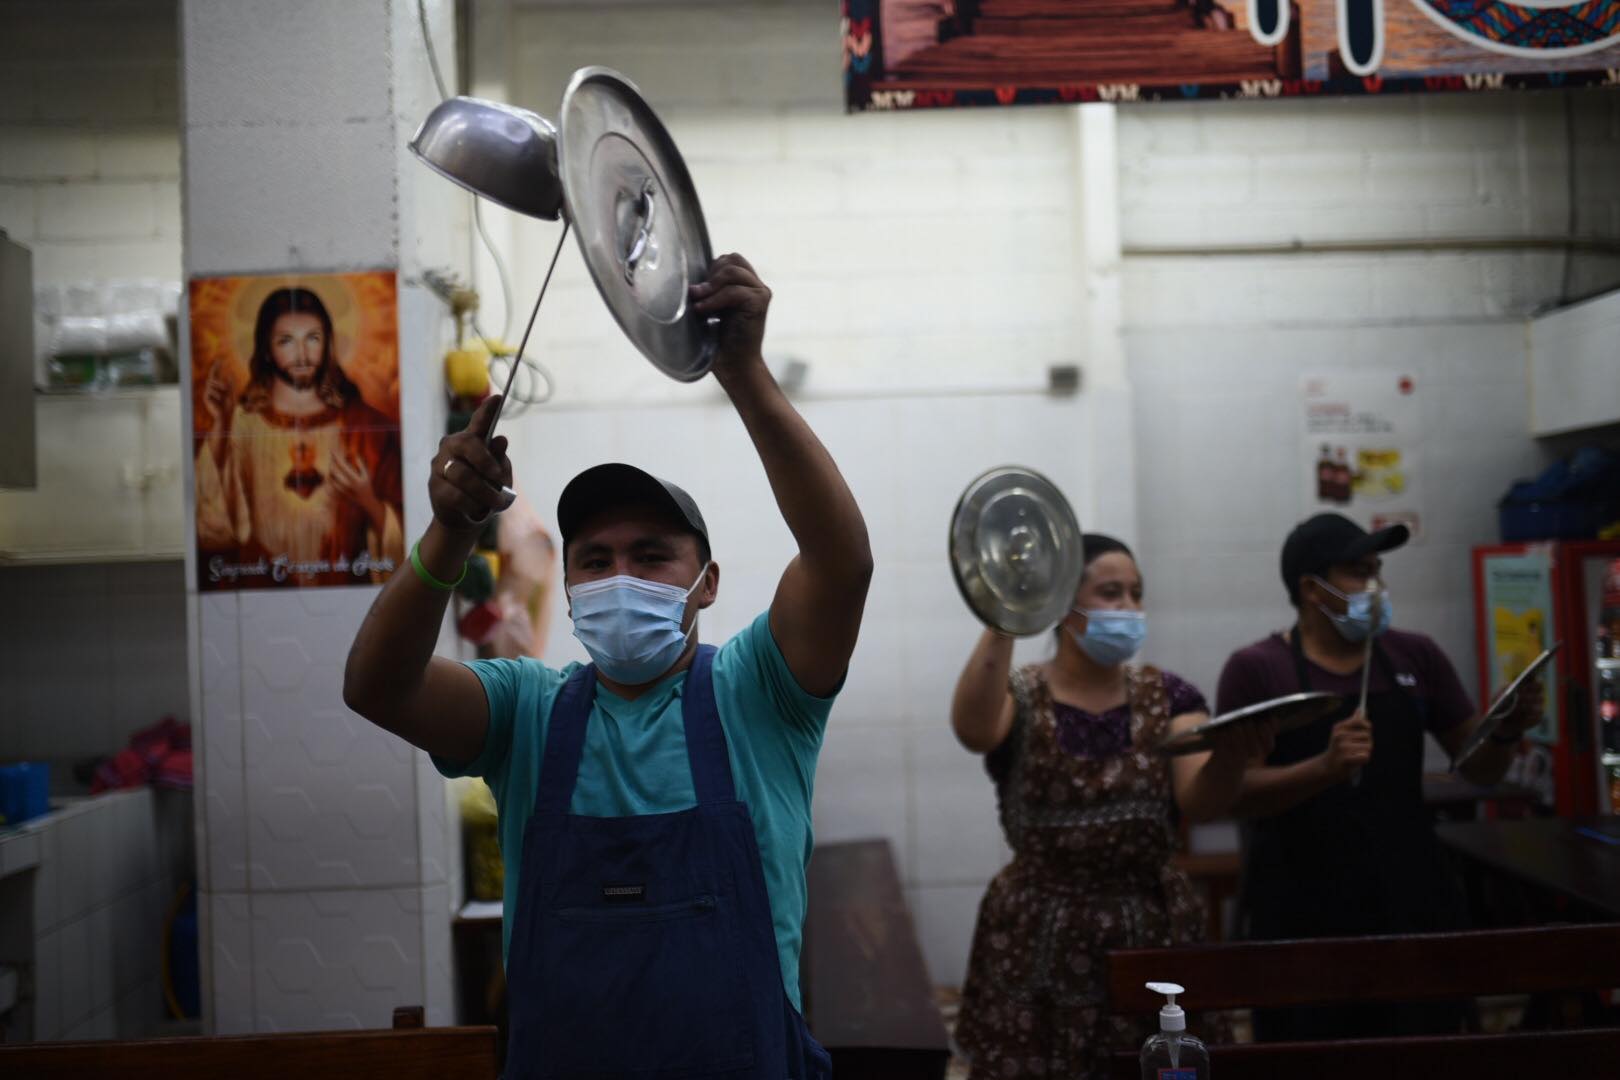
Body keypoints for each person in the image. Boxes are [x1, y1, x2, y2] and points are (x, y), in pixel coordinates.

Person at [344, 254, 871, 1080]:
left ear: (707, 584)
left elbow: (840, 562)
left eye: (652, 555)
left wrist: (743, 374)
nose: (620, 575)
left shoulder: (760, 693)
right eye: (595, 559)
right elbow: (377, 687)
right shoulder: (527, 711)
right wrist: (449, 533)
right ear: (569, 580)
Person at [950, 534, 1270, 1079]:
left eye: (1136, 594)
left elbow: (1202, 799)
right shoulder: (1021, 695)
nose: (1129, 608)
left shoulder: (1171, 697)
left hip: (1149, 924)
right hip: (1036, 934)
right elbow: (974, 730)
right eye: (1110, 593)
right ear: (1062, 605)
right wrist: (1007, 608)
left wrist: (1233, 759)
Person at [1218, 512, 1544, 1040]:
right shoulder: (1258, 669)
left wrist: (1506, 730)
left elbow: (1479, 768)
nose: (1375, 586)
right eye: (1357, 572)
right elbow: (1232, 796)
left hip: (1410, 895)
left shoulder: (1416, 655)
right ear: (1311, 589)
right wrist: (1320, 770)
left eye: (1377, 571)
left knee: (1421, 1044)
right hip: (1301, 905)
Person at [195, 286, 404, 587]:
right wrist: (220, 425)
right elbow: (213, 528)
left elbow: (412, 536)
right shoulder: (241, 424)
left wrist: (368, 500)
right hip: (264, 589)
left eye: (313, 339)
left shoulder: (365, 426)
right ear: (266, 348)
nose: (302, 355)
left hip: (345, 592)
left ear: (328, 343)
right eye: (286, 341)